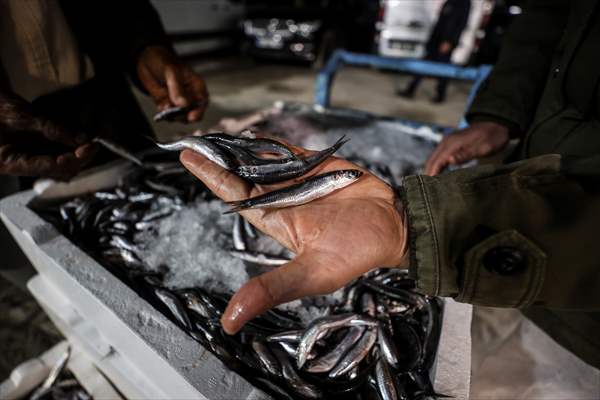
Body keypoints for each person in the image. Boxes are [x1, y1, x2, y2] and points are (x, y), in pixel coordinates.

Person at [181, 0, 600, 380]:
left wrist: (413, 225)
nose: (346, 178)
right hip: (518, 250)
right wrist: (501, 112)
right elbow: (548, 16)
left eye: (344, 178)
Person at [0, 0, 208, 286]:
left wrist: (145, 47)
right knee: (41, 273)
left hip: (105, 108)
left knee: (140, 263)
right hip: (7, 138)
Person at [397, 0, 471, 103]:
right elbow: (442, 20)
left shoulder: (464, 2)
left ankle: (440, 95)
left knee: (443, 69)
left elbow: (461, 24)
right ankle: (411, 90)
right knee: (425, 65)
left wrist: (449, 41)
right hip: (437, 39)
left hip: (446, 42)